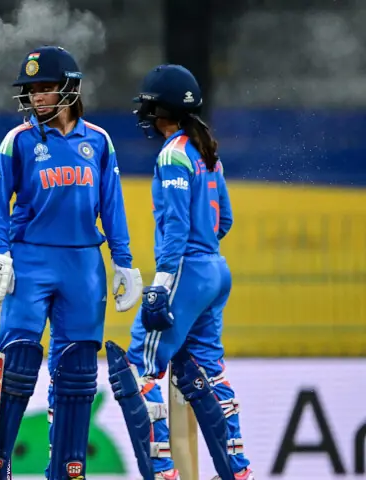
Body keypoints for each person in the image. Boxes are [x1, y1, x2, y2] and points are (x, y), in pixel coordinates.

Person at [0, 45, 143, 480]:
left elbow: (112, 204)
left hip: (83, 264)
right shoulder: (18, 140)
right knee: (17, 361)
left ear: (69, 89)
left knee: (77, 370)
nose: (37, 97)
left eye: (46, 88)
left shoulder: (99, 141)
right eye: (32, 90)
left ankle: (68, 469)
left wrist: (123, 261)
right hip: (30, 259)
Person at [104, 64, 254, 480]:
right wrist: (203, 253)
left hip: (185, 272)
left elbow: (176, 227)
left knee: (137, 370)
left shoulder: (173, 154)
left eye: (149, 105)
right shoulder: (207, 152)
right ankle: (238, 472)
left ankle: (163, 471)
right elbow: (224, 220)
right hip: (214, 270)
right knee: (209, 373)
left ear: (161, 109)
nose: (145, 113)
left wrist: (162, 284)